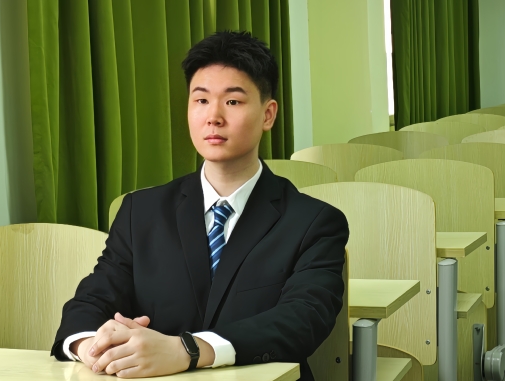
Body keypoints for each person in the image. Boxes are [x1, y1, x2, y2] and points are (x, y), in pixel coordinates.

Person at [51, 31, 349, 380]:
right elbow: (90, 303)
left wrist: (188, 351)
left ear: (268, 115)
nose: (214, 117)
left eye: (233, 102)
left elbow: (302, 319)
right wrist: (95, 347)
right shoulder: (139, 211)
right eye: (201, 100)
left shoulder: (314, 221)